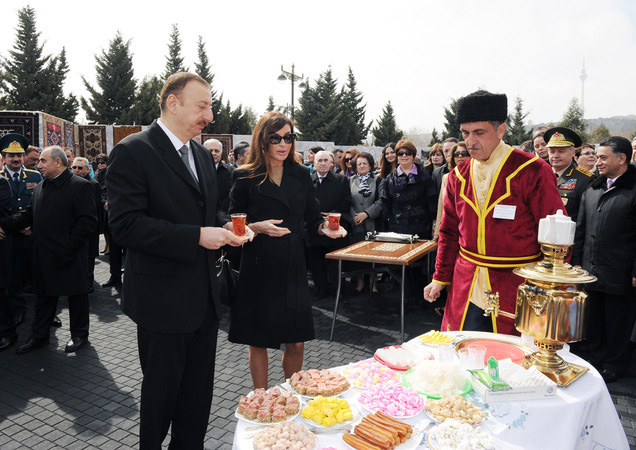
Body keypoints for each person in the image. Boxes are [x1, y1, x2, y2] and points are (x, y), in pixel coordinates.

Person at [105, 72, 247, 449]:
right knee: (160, 400)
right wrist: (198, 236)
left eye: (210, 106)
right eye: (202, 106)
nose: (210, 115)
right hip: (162, 304)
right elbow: (125, 226)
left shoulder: (201, 154)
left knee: (197, 401)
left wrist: (235, 228)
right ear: (173, 103)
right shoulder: (133, 150)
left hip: (204, 302)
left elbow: (207, 213)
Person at [423, 90, 565, 335]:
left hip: (518, 285)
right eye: (465, 133)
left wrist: (548, 288)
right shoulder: (458, 175)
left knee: (513, 364)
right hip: (466, 285)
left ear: (501, 130)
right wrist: (440, 277)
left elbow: (556, 235)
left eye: (479, 132)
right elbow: (448, 232)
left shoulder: (532, 170)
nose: (470, 142)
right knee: (461, 355)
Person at [228, 111, 345, 390]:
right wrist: (257, 227)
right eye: (275, 138)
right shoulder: (244, 176)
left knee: (296, 339)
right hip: (258, 263)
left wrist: (324, 229)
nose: (283, 144)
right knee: (259, 339)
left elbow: (313, 216)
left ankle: (290, 394)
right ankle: (261, 396)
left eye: (288, 138)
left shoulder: (302, 175)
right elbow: (233, 219)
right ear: (262, 140)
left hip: (293, 264)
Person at [0, 145, 97, 354]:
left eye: (43, 161)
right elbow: (27, 215)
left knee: (77, 296)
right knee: (44, 297)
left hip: (69, 255)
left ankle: (79, 335)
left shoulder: (79, 186)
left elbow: (88, 224)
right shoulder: (41, 187)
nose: (38, 164)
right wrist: (4, 226)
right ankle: (39, 335)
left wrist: (67, 248)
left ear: (58, 162)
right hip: (43, 255)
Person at [572, 136, 636, 383]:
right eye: (596, 157)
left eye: (603, 157)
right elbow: (581, 228)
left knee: (618, 322)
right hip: (591, 268)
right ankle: (596, 358)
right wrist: (577, 262)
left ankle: (614, 363)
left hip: (620, 271)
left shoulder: (631, 188)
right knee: (594, 319)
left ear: (622, 158)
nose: (597, 162)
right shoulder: (594, 187)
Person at [1, 133, 43, 326]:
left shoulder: (35, 176)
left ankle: (48, 313)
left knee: (41, 276)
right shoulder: (1, 178)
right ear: (4, 157)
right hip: (10, 238)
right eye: (11, 155)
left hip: (33, 236)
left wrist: (31, 225)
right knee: (14, 278)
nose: (16, 159)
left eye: (19, 155)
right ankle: (18, 310)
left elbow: (43, 203)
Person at [307, 150, 351, 299]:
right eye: (319, 161)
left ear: (332, 163)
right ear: (314, 163)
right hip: (314, 228)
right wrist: (317, 218)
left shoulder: (341, 180)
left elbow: (346, 202)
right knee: (316, 262)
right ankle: (321, 290)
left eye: (326, 160)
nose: (323, 163)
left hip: (335, 227)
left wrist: (331, 216)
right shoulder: (307, 180)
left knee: (335, 264)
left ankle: (338, 291)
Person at [382, 139, 436, 239]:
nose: (404, 156)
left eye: (408, 153)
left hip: (421, 227)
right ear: (397, 156)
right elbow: (386, 203)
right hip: (398, 228)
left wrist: (434, 223)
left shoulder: (425, 176)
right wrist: (391, 219)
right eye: (400, 153)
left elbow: (432, 201)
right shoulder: (389, 179)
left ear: (413, 155)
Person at [349, 152, 384, 294]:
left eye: (365, 163)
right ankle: (360, 281)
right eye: (359, 164)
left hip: (372, 223)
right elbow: (346, 200)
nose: (362, 166)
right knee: (357, 255)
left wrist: (366, 214)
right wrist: (354, 216)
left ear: (370, 165)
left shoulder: (378, 180)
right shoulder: (350, 180)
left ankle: (373, 282)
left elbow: (381, 201)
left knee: (373, 256)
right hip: (355, 224)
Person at [545, 127, 596, 223]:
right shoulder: (542, 176)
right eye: (552, 151)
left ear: (573, 152)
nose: (555, 155)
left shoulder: (585, 179)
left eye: (561, 151)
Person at [72, 157, 103, 292]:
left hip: (89, 227)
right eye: (74, 167)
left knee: (89, 256)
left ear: (87, 169)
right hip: (73, 226)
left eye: (80, 168)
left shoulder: (93, 184)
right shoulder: (69, 182)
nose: (76, 171)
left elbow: (94, 206)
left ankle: (88, 283)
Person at [433, 142, 470, 241]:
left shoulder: (477, 177)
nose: (460, 156)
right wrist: (437, 231)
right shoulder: (446, 178)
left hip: (469, 230)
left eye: (464, 153)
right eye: (456, 154)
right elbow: (441, 205)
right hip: (449, 229)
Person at [0, 175, 15, 351]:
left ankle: (7, 332)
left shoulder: (1, 182)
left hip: (2, 244)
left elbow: (2, 208)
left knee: (2, 290)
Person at [204, 138, 233, 212]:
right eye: (210, 150)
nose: (213, 153)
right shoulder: (196, 170)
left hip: (225, 216)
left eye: (216, 151)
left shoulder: (231, 172)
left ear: (221, 153)